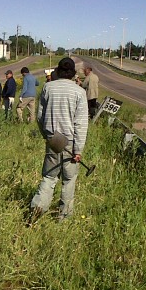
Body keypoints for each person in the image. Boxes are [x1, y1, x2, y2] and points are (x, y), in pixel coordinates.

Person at [30, 57, 88, 221]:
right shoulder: (79, 92)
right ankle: (64, 216)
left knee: (49, 177)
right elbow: (81, 124)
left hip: (53, 141)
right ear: (73, 74)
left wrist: (48, 137)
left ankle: (38, 206)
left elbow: (40, 117)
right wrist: (78, 150)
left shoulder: (48, 88)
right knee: (69, 180)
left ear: (57, 71)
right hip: (70, 142)